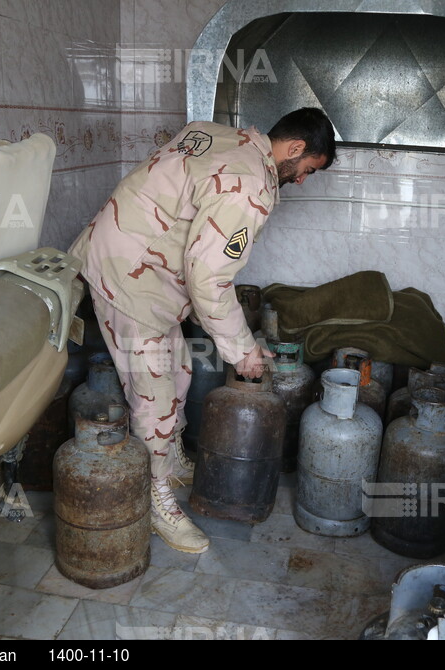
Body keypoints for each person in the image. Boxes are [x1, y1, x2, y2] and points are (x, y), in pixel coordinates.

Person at [68, 108, 336, 554]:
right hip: (129, 276)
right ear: (294, 148)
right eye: (307, 169)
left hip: (134, 260)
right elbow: (209, 278)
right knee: (153, 395)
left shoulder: (216, 133)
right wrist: (242, 351)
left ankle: (168, 461)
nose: (303, 180)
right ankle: (154, 499)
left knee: (181, 373)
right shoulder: (249, 186)